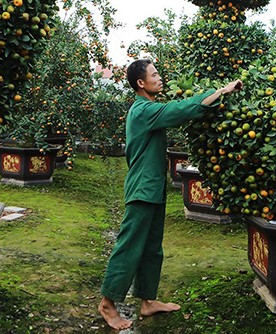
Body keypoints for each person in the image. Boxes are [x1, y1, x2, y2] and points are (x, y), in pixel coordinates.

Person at [98, 58, 243, 330]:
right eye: (155, 75)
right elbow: (181, 110)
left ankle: (148, 301)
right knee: (129, 247)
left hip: (153, 187)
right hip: (142, 189)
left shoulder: (148, 108)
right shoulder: (143, 110)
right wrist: (220, 92)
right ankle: (108, 303)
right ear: (141, 83)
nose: (160, 78)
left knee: (152, 247)